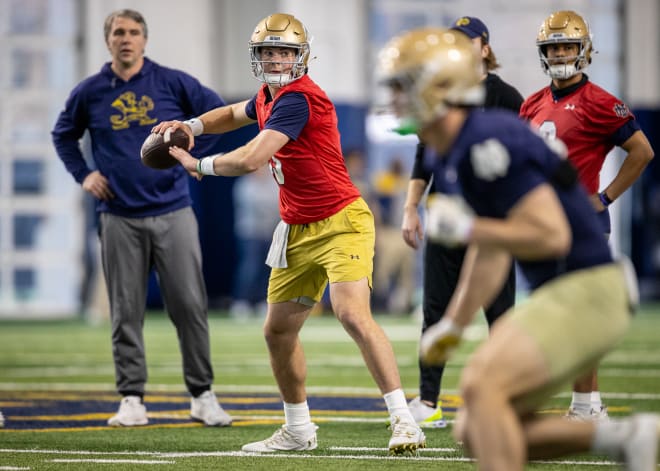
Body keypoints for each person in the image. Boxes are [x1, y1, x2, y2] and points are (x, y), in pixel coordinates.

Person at [379, 27, 658, 471]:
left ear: (441, 86)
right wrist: (454, 322)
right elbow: (490, 251)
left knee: (485, 395)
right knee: (474, 427)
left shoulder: (487, 140)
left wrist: (472, 228)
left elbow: (551, 236)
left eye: (404, 85)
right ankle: (628, 439)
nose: (395, 98)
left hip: (590, 290)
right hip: (562, 292)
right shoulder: (446, 151)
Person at [153, 13, 425, 454]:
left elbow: (251, 158)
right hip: (297, 227)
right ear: (258, 57)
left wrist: (197, 163)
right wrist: (193, 126)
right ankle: (298, 429)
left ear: (302, 57)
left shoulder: (298, 99)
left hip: (341, 221)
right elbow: (230, 113)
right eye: (269, 52)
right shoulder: (267, 96)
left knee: (352, 313)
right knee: (278, 331)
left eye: (284, 52)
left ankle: (404, 420)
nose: (277, 60)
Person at [51, 9, 232, 427]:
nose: (126, 38)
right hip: (118, 216)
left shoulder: (172, 81)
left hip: (173, 211)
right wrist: (84, 174)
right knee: (125, 311)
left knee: (189, 307)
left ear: (145, 40)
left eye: (133, 32)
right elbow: (62, 135)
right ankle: (132, 399)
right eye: (118, 32)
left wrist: (197, 155)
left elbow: (218, 112)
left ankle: (202, 395)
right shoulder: (90, 91)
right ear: (108, 40)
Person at [519, 10, 654, 420]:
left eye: (566, 45)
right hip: (541, 223)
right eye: (553, 46)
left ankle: (585, 405)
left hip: (582, 221)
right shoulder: (532, 104)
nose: (560, 52)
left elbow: (642, 151)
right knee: (549, 317)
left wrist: (606, 196)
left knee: (579, 316)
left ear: (584, 50)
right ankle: (585, 404)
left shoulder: (600, 102)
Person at [400, 15, 523, 428]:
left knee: (500, 311)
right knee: (435, 307)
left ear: (484, 47)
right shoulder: (440, 92)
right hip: (445, 218)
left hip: (491, 221)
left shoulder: (507, 95)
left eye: (466, 41)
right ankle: (429, 400)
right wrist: (409, 208)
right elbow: (424, 155)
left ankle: (508, 398)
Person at [230, 164, 280, 319]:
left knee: (269, 269)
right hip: (250, 233)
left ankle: (262, 301)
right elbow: (253, 206)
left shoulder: (275, 183)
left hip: (271, 233)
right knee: (250, 268)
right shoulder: (244, 185)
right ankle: (241, 301)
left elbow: (279, 205)